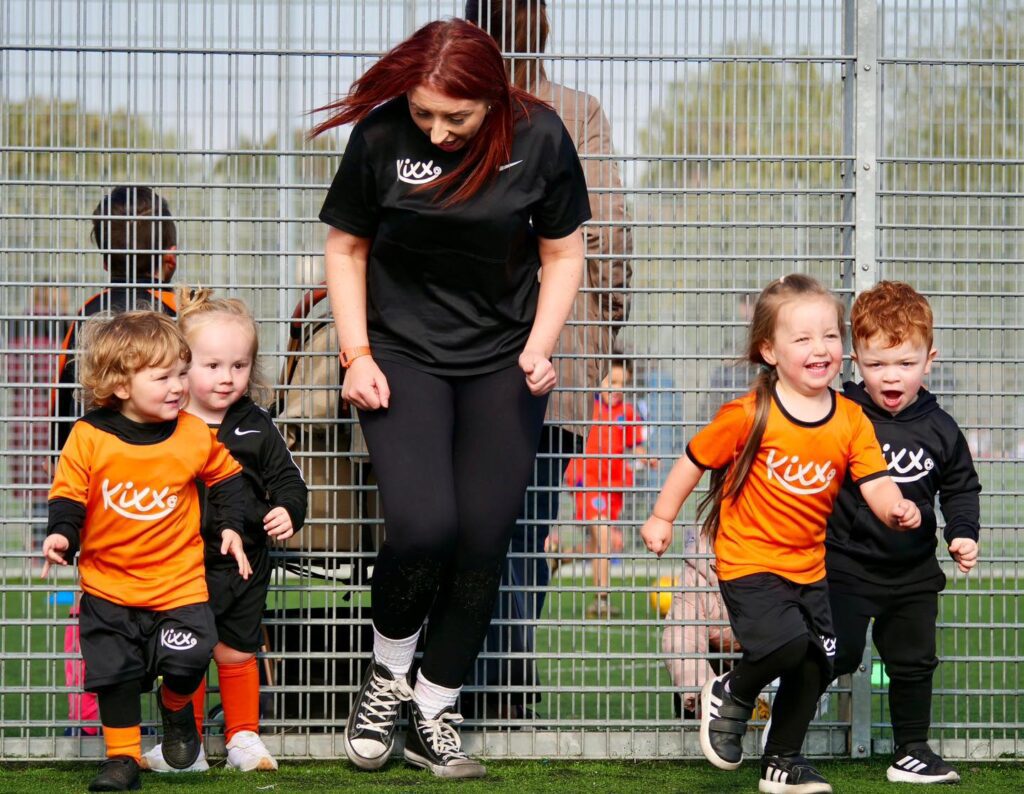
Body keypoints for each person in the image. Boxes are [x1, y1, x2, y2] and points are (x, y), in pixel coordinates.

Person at [312, 17, 589, 778]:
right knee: (425, 526)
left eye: (456, 118)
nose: (435, 131)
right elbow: (347, 246)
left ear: (495, 100)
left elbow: (563, 251)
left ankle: (434, 703)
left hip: (504, 359)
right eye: (425, 113)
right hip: (400, 356)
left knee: (482, 541)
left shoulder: (541, 135)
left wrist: (540, 345)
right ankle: (386, 677)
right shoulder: (378, 137)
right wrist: (355, 352)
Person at [640, 274, 922, 794]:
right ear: (769, 350)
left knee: (820, 659)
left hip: (808, 567)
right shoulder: (749, 414)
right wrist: (662, 515)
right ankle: (731, 688)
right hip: (749, 561)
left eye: (830, 336)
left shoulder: (852, 420)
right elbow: (693, 460)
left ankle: (782, 763)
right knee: (791, 646)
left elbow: (876, 479)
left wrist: (896, 507)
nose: (821, 348)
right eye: (803, 338)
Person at [464, 0, 632, 718]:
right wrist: (607, 328)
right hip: (560, 354)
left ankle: (455, 685)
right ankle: (507, 688)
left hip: (463, 351)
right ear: (547, 29)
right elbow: (611, 232)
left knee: (466, 523)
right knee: (528, 528)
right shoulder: (575, 111)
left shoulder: (448, 105)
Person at [40, 310, 251, 792]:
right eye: (163, 378)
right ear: (119, 385)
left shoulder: (194, 433)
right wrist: (62, 535)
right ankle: (122, 759)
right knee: (114, 677)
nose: (179, 386)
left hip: (179, 586)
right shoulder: (89, 436)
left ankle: (176, 709)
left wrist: (231, 526)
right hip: (108, 587)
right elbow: (69, 493)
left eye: (182, 373)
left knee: (190, 658)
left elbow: (226, 477)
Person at [141, 289, 308, 774]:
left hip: (245, 562)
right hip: (180, 564)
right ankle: (183, 748)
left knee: (237, 648)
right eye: (212, 365)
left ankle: (243, 739)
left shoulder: (257, 426)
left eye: (239, 366)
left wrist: (289, 512)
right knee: (182, 651)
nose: (226, 377)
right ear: (182, 365)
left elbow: (288, 482)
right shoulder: (165, 425)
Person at [826, 281, 980, 785]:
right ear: (855, 362)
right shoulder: (842, 415)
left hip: (913, 572)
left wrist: (961, 533)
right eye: (876, 365)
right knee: (840, 652)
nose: (891, 376)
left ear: (928, 361)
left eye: (905, 363)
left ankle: (912, 750)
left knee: (913, 661)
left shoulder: (941, 428)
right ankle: (781, 729)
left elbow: (961, 487)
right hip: (846, 565)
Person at [53, 186, 179, 452]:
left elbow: (64, 385)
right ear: (171, 257)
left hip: (95, 457)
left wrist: (58, 451)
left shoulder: (89, 313)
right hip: (168, 454)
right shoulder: (179, 312)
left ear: (106, 263)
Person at [564, 358, 645, 618]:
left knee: (607, 543)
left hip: (614, 486)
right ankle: (601, 598)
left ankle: (563, 556)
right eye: (613, 381)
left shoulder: (629, 413)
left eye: (623, 383)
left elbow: (637, 443)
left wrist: (646, 456)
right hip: (587, 481)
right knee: (604, 537)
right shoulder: (588, 407)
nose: (617, 388)